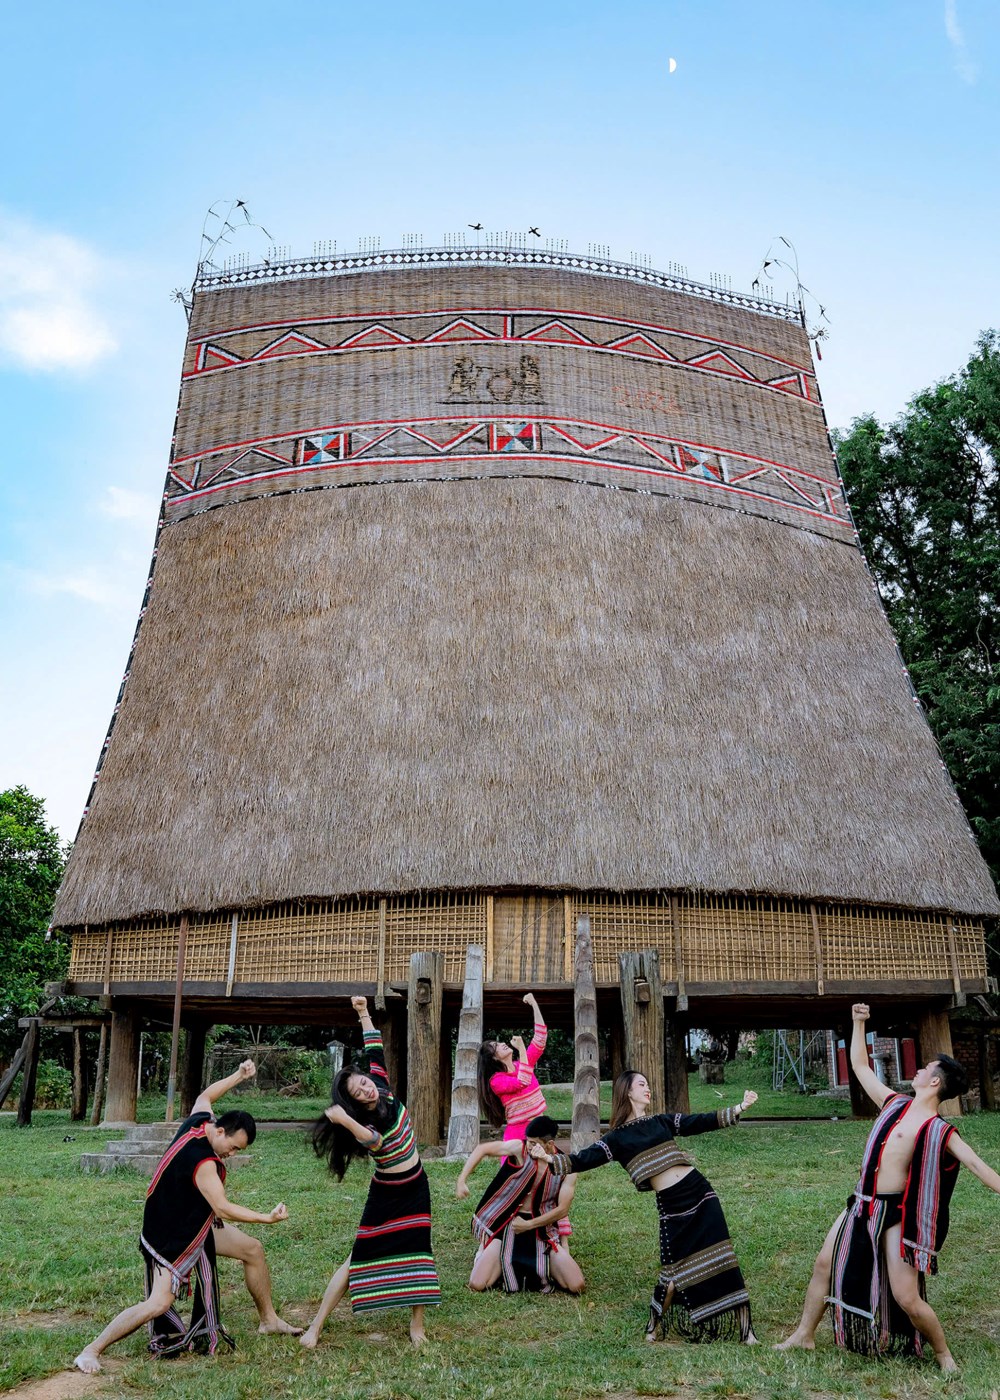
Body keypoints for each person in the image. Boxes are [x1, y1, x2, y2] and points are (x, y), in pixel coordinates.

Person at [777, 1003, 1000, 1372]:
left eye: (926, 1068)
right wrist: (858, 1023)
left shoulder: (940, 1130)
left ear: (934, 1082)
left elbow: (977, 1165)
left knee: (906, 1296)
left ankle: (944, 1356)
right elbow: (861, 1067)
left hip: (896, 1214)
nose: (919, 1069)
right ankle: (804, 1335)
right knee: (822, 1264)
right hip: (861, 1205)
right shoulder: (893, 1102)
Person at [74, 1059, 290, 1374]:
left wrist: (238, 1075)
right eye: (232, 1146)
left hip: (192, 1224)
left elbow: (205, 1096)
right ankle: (91, 1350)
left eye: (238, 1150)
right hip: (170, 1235)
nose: (232, 1154)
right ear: (219, 1130)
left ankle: (269, 1320)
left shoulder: (198, 1124)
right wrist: (266, 1218)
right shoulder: (203, 1163)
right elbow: (224, 1209)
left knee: (252, 1250)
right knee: (159, 1303)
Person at [531, 1069, 758, 1343]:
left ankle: (747, 1333)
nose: (648, 1088)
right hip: (672, 1205)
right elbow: (583, 1159)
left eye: (648, 1084)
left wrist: (739, 1107)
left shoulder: (661, 1121)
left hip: (700, 1193)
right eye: (642, 1084)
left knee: (723, 1257)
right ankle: (654, 1325)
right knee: (673, 1270)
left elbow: (698, 1122)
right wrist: (546, 1158)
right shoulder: (616, 1139)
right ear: (627, 1091)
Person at [301, 996, 441, 1349]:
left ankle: (417, 1326)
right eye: (357, 1092)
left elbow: (374, 1044)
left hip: (416, 1186)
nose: (365, 1088)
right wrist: (345, 1120)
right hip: (387, 1194)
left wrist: (362, 1012)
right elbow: (372, 1140)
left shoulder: (382, 1087)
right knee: (357, 1256)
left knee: (419, 1251)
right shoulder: (363, 1120)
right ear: (355, 1102)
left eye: (362, 1081)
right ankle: (315, 1327)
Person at [456, 1114, 585, 1295]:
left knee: (576, 1285)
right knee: (477, 1283)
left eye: (534, 1143)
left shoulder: (567, 1167)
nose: (529, 1146)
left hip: (542, 1228)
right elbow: (482, 1149)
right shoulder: (520, 1149)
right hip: (509, 1224)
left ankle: (540, 1265)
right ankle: (491, 1254)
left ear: (549, 1144)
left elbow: (562, 1209)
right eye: (528, 1141)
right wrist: (462, 1180)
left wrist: (529, 1225)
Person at [477, 991, 548, 1142]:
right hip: (518, 1136)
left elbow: (540, 1039)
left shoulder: (521, 1064)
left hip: (541, 1130)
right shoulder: (496, 1080)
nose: (502, 1044)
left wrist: (534, 1004)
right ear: (494, 1058)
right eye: (495, 1046)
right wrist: (521, 1048)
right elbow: (522, 1081)